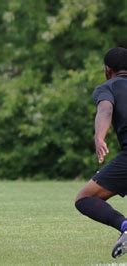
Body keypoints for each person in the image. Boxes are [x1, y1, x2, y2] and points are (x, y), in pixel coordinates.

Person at [75, 47, 127, 258]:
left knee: (85, 198)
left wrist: (99, 137)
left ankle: (124, 226)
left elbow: (105, 109)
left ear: (108, 69)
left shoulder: (108, 87)